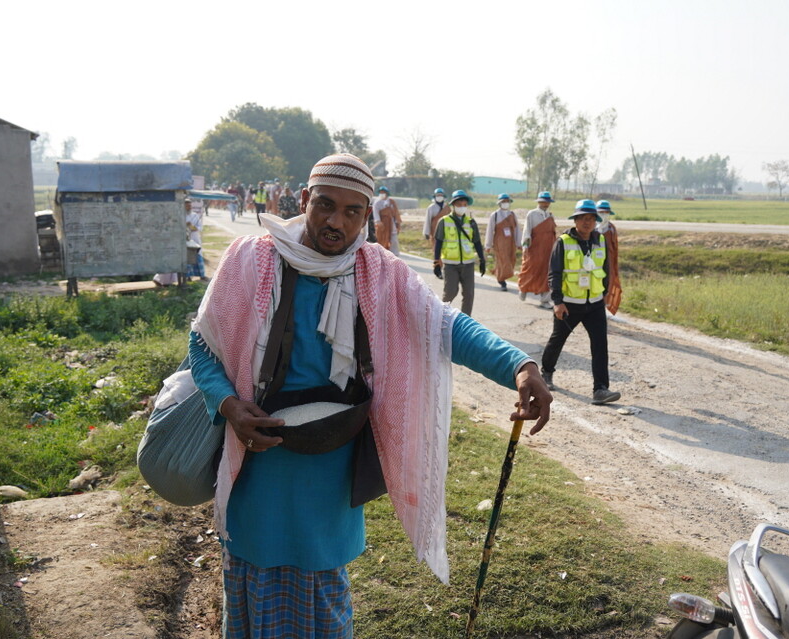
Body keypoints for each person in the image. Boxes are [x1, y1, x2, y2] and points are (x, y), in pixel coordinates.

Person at [187, 153, 552, 637]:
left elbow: (445, 326)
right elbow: (202, 343)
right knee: (253, 591)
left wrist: (519, 366)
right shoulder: (252, 259)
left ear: (367, 215)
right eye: (325, 205)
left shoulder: (378, 273)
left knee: (324, 597)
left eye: (352, 211)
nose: (336, 221)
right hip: (258, 467)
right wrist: (229, 406)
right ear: (303, 201)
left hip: (330, 471)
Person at [541, 199, 621, 404]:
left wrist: (604, 291)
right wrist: (557, 301)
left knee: (600, 345)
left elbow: (605, 268)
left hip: (594, 303)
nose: (587, 222)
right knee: (558, 340)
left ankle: (601, 389)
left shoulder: (601, 240)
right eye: (583, 218)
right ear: (575, 220)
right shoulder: (564, 242)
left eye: (591, 218)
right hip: (569, 303)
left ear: (595, 221)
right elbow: (554, 273)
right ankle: (546, 373)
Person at [432, 189, 485, 316]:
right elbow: (438, 242)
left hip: (468, 264)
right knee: (450, 292)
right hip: (450, 264)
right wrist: (436, 262)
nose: (462, 207)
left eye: (464, 205)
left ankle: (465, 323)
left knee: (469, 294)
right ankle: (441, 317)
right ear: (453, 205)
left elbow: (477, 242)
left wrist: (482, 260)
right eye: (459, 204)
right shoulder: (444, 221)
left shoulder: (471, 222)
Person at [517, 191, 558, 309]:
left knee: (547, 273)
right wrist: (525, 246)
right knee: (530, 269)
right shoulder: (532, 214)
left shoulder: (550, 215)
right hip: (534, 249)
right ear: (539, 202)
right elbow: (527, 231)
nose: (545, 204)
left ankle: (544, 299)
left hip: (548, 249)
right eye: (543, 202)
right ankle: (523, 288)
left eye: (547, 202)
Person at [484, 193, 522, 291]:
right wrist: (488, 245)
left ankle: (499, 274)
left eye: (507, 202)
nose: (505, 203)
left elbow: (517, 229)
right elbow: (490, 230)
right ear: (499, 203)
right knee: (502, 260)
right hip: (499, 242)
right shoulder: (495, 215)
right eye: (503, 202)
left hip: (511, 242)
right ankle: (502, 281)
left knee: (511, 260)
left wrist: (519, 243)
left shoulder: (512, 215)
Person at [596, 200, 622, 315]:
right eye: (601, 212)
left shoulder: (611, 229)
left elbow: (615, 247)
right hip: (595, 262)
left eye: (606, 212)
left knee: (608, 284)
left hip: (609, 262)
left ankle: (603, 310)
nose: (604, 215)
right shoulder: (592, 228)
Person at [184, 197, 209, 281]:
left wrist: (191, 226)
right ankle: (188, 276)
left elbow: (199, 227)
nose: (189, 207)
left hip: (195, 237)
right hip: (186, 238)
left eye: (190, 205)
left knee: (198, 255)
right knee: (188, 257)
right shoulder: (181, 215)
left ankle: (202, 275)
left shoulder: (195, 215)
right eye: (187, 206)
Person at [372, 186, 402, 255]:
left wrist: (398, 223)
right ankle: (382, 254)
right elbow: (375, 213)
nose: (382, 194)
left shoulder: (391, 202)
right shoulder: (377, 203)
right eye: (381, 193)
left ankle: (394, 254)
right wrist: (378, 221)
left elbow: (396, 213)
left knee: (393, 239)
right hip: (382, 223)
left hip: (391, 223)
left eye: (383, 193)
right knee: (382, 239)